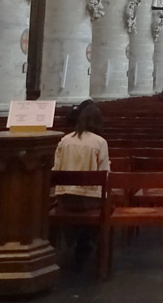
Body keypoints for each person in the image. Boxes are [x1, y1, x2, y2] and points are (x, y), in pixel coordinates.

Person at [52, 105, 110, 268]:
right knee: (100, 203)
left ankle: (77, 241)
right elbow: (105, 174)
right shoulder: (100, 142)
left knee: (75, 203)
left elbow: (55, 170)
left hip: (64, 199)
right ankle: (85, 242)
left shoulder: (64, 140)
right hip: (90, 201)